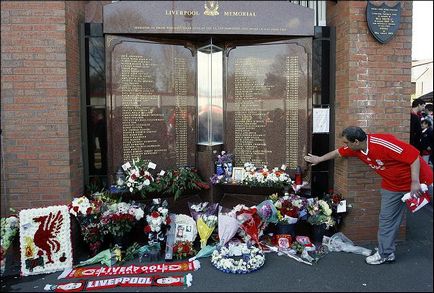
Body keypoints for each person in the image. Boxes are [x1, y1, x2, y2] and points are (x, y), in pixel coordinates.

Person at [304, 126, 433, 265]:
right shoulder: (357, 148)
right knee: (386, 219)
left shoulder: (382, 143)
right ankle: (386, 253)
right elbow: (338, 152)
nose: (345, 146)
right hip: (393, 186)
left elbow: (413, 156)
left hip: (419, 182)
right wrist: (319, 159)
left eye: (346, 143)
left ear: (356, 141)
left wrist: (415, 182)